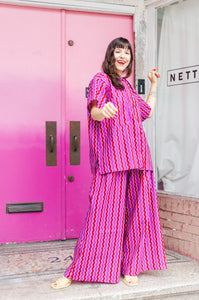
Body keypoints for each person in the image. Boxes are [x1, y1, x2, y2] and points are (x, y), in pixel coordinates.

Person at [51, 37, 167, 289]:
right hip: (112, 159)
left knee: (138, 214)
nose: (123, 54)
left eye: (127, 51)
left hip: (137, 157)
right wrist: (102, 112)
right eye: (118, 50)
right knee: (102, 215)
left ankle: (131, 266)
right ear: (111, 55)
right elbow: (93, 110)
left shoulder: (128, 86)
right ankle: (78, 269)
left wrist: (154, 85)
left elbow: (145, 112)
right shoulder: (101, 81)